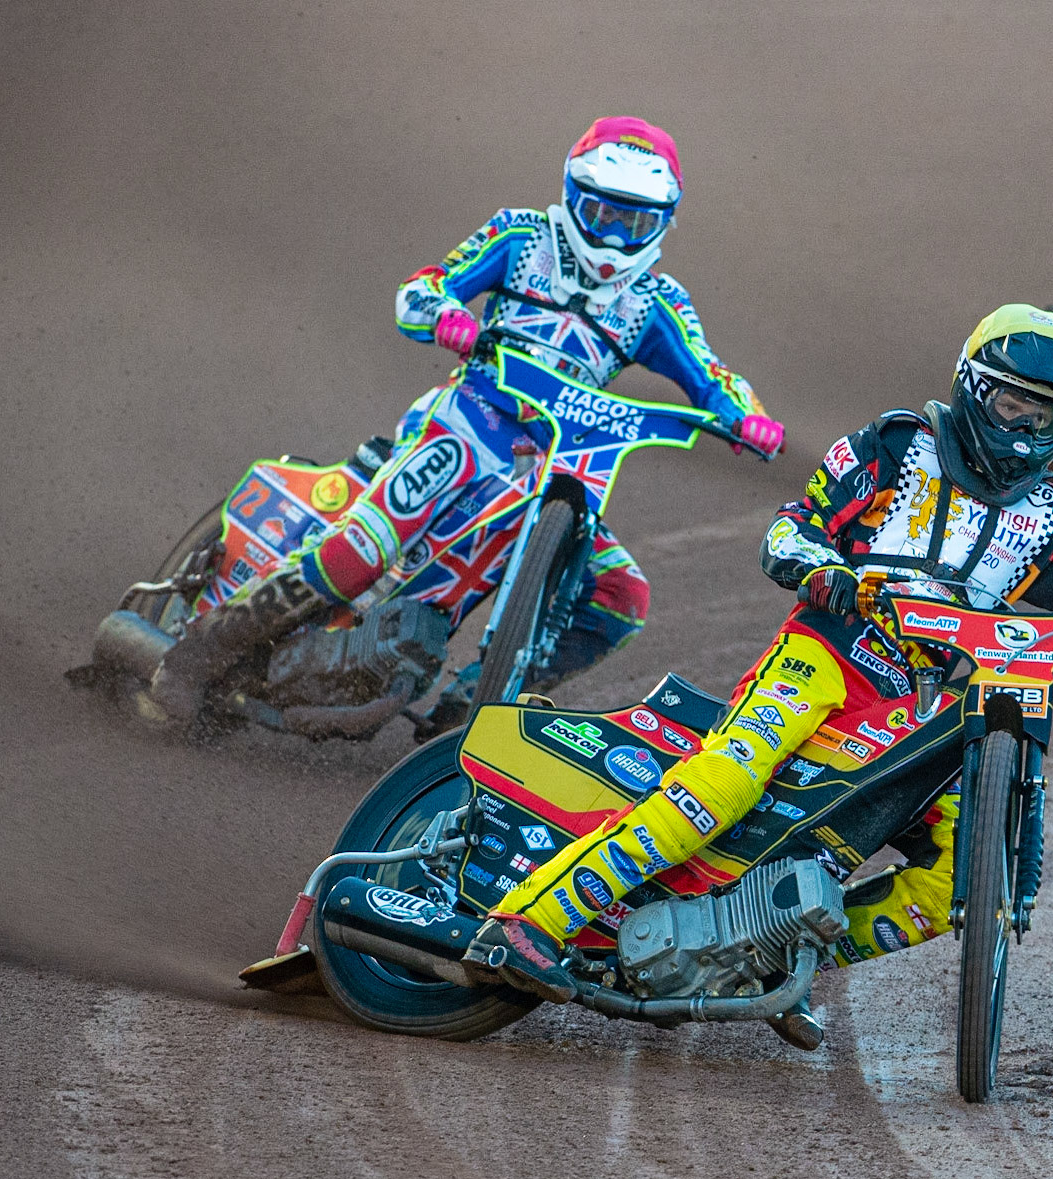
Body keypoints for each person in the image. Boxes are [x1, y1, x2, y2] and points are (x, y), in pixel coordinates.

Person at [461, 304, 1053, 1049]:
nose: (1024, 429)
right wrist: (826, 571)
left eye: (1046, 417)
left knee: (948, 884)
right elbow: (791, 527)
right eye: (1011, 403)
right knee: (723, 785)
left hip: (916, 703)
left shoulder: (1050, 512)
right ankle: (529, 921)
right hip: (825, 652)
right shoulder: (897, 445)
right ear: (970, 385)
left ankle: (764, 959)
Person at [149, 117, 786, 730]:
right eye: (603, 214)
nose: (616, 237)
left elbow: (712, 375)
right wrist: (446, 314)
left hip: (559, 460)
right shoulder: (520, 236)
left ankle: (463, 717)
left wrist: (747, 417)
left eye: (635, 221)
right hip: (466, 421)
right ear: (573, 197)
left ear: (663, 223)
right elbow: (424, 287)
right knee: (369, 544)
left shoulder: (658, 301)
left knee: (622, 597)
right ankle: (195, 656)